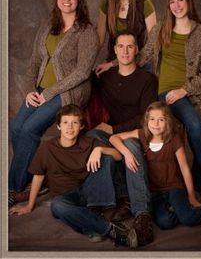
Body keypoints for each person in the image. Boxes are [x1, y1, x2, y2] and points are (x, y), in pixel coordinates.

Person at [9, 0, 99, 207]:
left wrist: (48, 93)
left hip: (70, 92)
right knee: (16, 126)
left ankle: (14, 188)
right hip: (40, 90)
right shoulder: (48, 25)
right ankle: (32, 178)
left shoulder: (86, 31)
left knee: (29, 129)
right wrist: (30, 89)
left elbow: (82, 72)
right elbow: (34, 62)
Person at [136, 0, 201, 199]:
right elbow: (143, 56)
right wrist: (113, 63)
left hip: (194, 93)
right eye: (172, 1)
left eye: (180, 0)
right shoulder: (161, 28)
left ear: (189, 2)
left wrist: (185, 89)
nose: (176, 5)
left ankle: (197, 179)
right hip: (168, 93)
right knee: (195, 125)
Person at [9, 104, 138, 248]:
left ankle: (93, 218)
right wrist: (29, 205)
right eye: (65, 123)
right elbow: (38, 176)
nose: (70, 127)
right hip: (66, 198)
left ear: (81, 126)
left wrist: (100, 149)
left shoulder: (88, 142)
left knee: (106, 158)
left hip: (90, 192)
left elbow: (119, 156)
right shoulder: (47, 147)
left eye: (75, 123)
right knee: (57, 206)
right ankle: (111, 229)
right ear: (58, 126)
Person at [109, 101, 201, 230]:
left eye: (161, 120)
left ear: (168, 122)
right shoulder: (141, 134)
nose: (156, 124)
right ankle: (178, 208)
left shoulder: (173, 139)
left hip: (174, 187)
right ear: (146, 121)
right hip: (155, 192)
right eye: (152, 119)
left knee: (188, 218)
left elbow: (185, 169)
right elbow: (113, 138)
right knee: (165, 223)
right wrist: (127, 154)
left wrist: (191, 197)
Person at [86, 30, 157, 229]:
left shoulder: (147, 79)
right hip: (111, 134)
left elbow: (147, 117)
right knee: (89, 139)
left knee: (131, 148)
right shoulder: (105, 77)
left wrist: (114, 129)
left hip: (134, 132)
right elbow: (81, 79)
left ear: (136, 50)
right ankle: (103, 202)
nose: (125, 51)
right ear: (115, 51)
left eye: (130, 46)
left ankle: (141, 212)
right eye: (121, 46)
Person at [95, 0, 157, 75]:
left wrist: (113, 63)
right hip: (112, 65)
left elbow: (154, 43)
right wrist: (85, 62)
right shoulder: (106, 4)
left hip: (140, 64)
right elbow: (99, 39)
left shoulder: (145, 4)